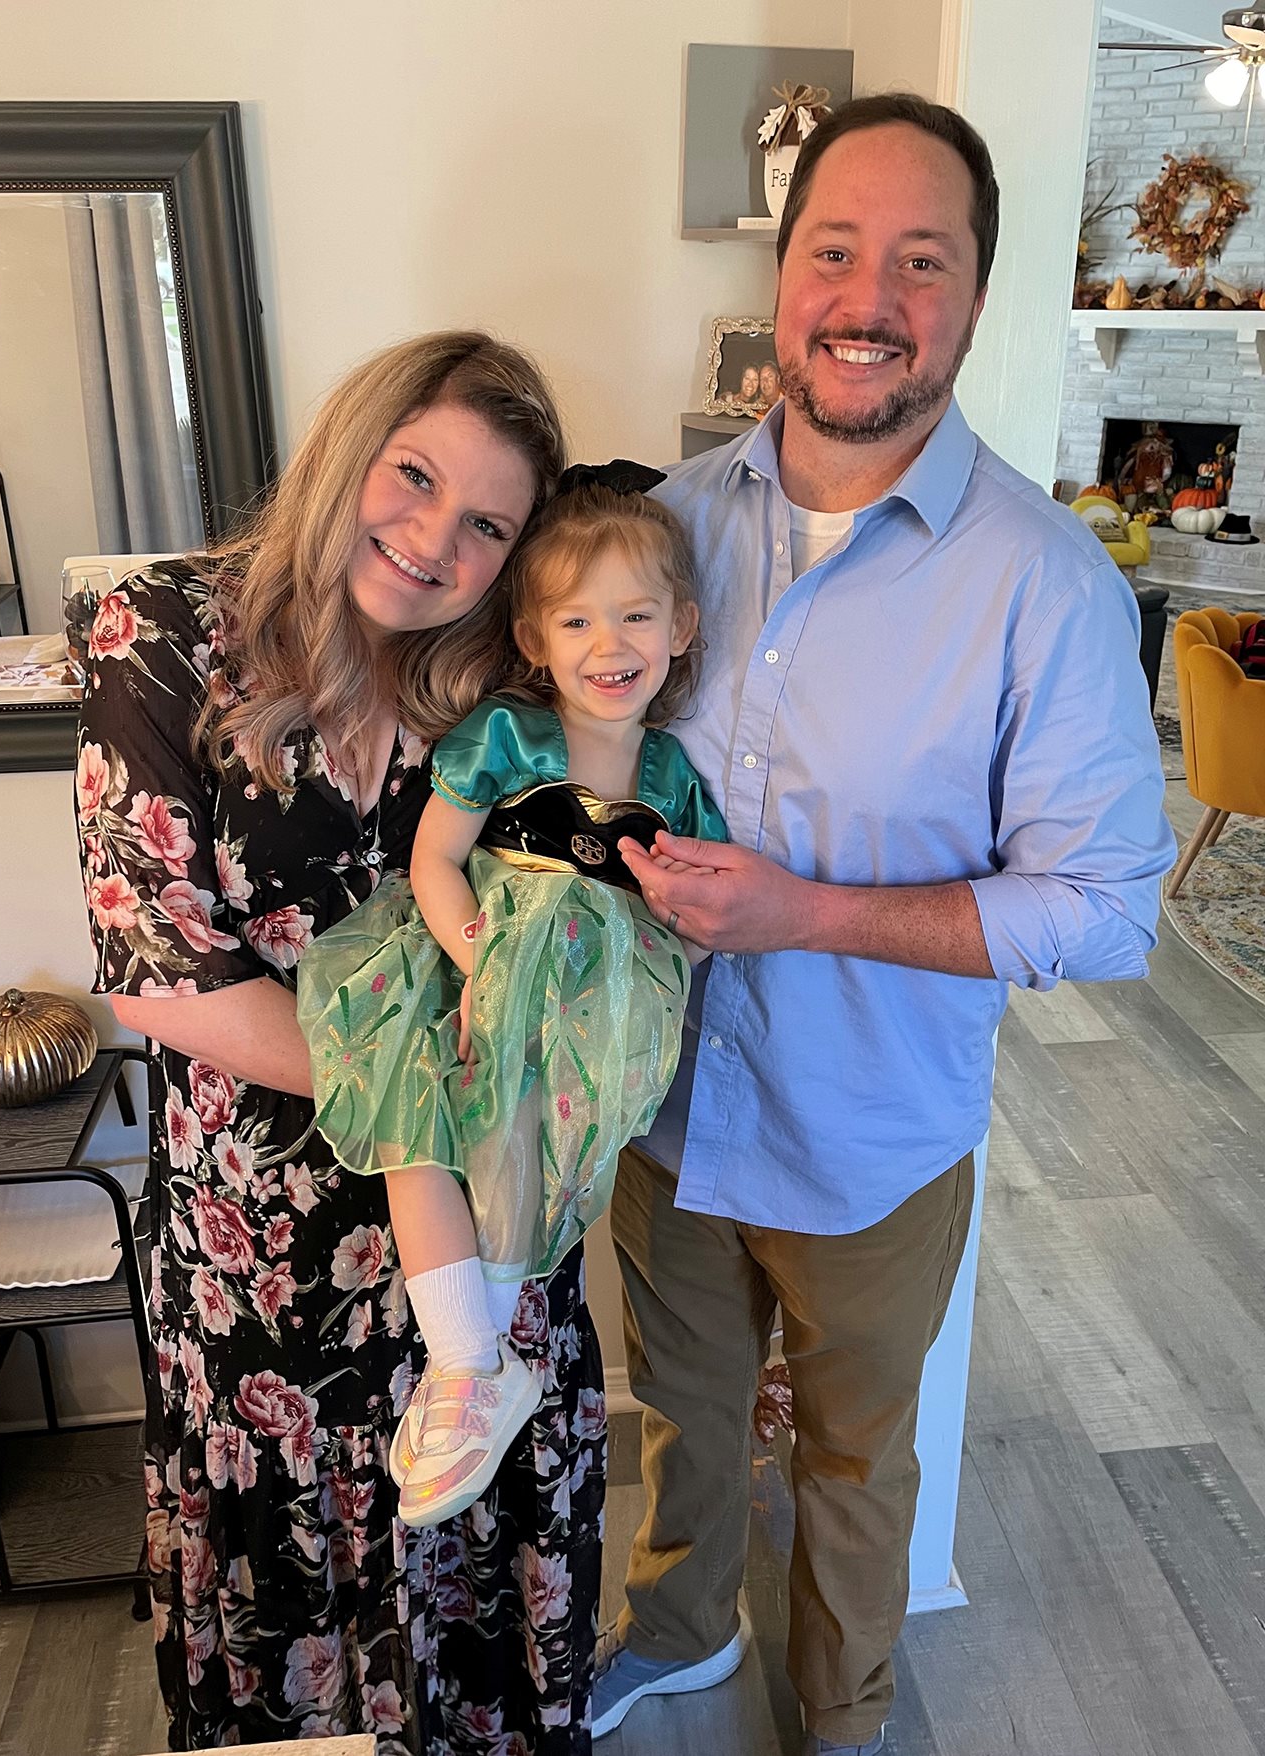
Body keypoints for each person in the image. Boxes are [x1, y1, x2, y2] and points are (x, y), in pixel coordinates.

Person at [592, 96, 1176, 1756]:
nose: (870, 296)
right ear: (783, 284)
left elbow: (1107, 910)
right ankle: (682, 1632)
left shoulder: (1051, 586)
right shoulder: (670, 527)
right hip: (669, 1117)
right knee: (685, 1417)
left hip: (873, 1141)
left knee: (857, 1456)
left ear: (975, 300)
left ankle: (840, 1716)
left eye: (921, 261)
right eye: (836, 251)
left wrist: (805, 912)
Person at [75, 331, 609, 1754]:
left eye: (489, 523)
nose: (437, 541)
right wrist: (428, 1092)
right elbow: (162, 975)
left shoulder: (502, 672)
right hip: (273, 1254)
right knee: (294, 1638)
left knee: (481, 1614)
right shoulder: (164, 633)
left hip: (487, 1250)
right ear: (349, 448)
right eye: (415, 476)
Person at [297, 472, 726, 1530]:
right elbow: (434, 859)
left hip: (591, 994)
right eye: (576, 619)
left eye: (634, 615)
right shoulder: (507, 736)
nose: (607, 642)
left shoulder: (666, 772)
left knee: (524, 1142)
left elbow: (691, 895)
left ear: (680, 626)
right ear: (534, 638)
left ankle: (480, 1368)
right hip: (473, 961)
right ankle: (465, 1365)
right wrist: (476, 960)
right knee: (416, 1128)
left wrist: (659, 971)